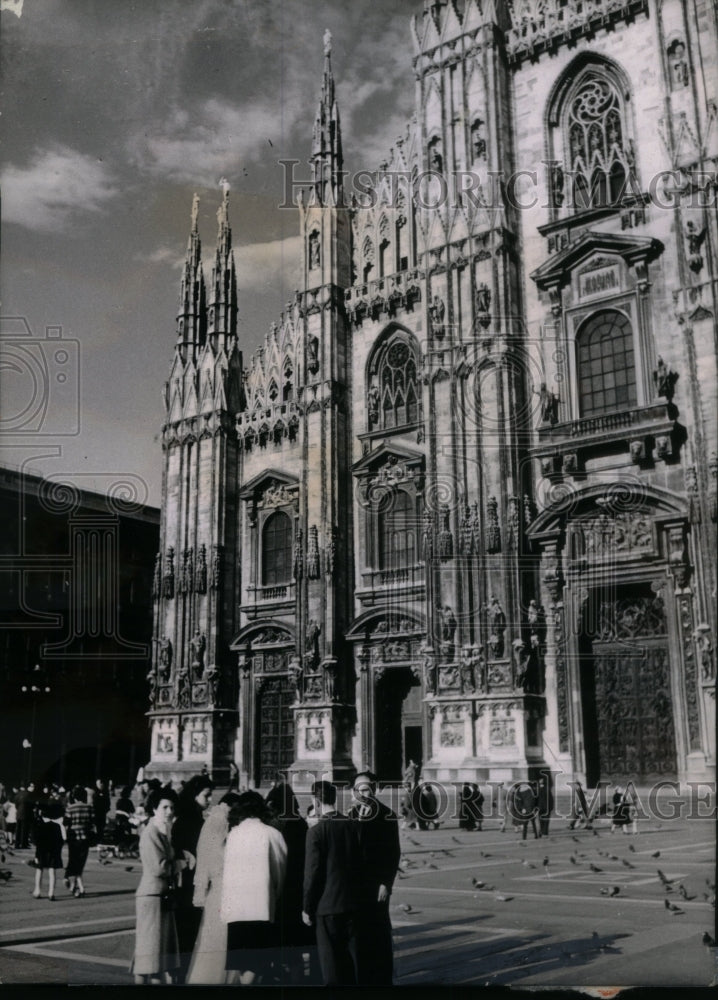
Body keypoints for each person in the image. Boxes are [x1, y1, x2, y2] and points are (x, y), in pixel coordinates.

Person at [302, 780, 365, 986]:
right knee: (352, 962)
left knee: (331, 967)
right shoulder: (353, 825)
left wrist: (307, 907)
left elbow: (312, 874)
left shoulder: (316, 831)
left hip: (326, 906)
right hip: (352, 904)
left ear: (316, 801)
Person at [221, 790, 287, 985]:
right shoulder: (272, 834)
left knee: (243, 965)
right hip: (260, 909)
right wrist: (275, 895)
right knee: (257, 965)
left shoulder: (233, 835)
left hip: (235, 909)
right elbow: (280, 870)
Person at [347, 771, 400, 986]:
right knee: (359, 932)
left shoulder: (387, 814)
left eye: (367, 788)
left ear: (375, 789)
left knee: (379, 931)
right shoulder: (351, 815)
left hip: (377, 884)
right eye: (359, 788)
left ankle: (383, 979)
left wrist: (385, 883)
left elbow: (393, 853)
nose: (363, 792)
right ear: (354, 792)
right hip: (355, 884)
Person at [186, 791, 242, 985]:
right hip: (220, 888)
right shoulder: (219, 821)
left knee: (213, 938)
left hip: (217, 889)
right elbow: (205, 860)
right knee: (219, 938)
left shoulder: (216, 821)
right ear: (229, 806)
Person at [266, 782, 316, 983]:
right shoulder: (300, 823)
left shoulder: (277, 826)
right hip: (298, 888)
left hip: (281, 889)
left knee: (283, 940)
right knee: (296, 941)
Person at [132, 787, 182, 985]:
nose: (169, 811)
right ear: (154, 809)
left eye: (171, 807)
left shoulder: (161, 832)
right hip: (152, 895)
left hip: (160, 896)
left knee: (154, 953)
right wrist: (181, 863)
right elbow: (158, 867)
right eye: (164, 807)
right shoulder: (151, 833)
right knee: (149, 954)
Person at [171, 774, 213, 983]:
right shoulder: (191, 820)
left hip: (189, 883)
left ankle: (181, 973)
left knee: (186, 932)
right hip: (189, 884)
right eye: (207, 795)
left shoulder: (190, 818)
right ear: (194, 795)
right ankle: (182, 974)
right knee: (189, 931)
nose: (210, 800)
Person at [63, 785, 94, 897]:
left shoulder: (70, 808)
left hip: (73, 838)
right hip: (85, 837)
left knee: (73, 860)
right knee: (81, 862)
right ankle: (74, 886)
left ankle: (78, 887)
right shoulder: (89, 807)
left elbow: (66, 822)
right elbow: (91, 823)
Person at [32, 800, 65, 900]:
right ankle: (51, 893)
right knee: (52, 872)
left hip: (42, 852)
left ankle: (37, 890)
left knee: (39, 871)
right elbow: (61, 841)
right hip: (53, 852)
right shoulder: (57, 826)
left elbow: (37, 842)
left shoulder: (40, 826)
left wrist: (36, 855)